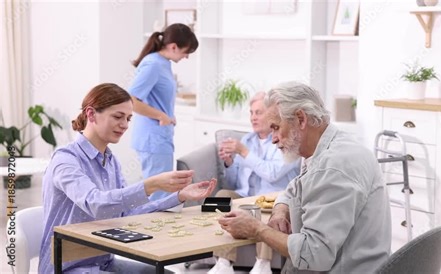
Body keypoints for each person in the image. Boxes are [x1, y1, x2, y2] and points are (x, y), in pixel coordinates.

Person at [38, 83, 216, 274]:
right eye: (117, 117)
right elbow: (94, 202)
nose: (124, 125)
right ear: (91, 114)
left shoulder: (111, 161)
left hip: (103, 262)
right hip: (67, 267)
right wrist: (151, 185)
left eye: (128, 119)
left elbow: (128, 213)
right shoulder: (65, 160)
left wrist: (179, 196)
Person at [217, 82, 391, 273]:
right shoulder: (328, 147)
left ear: (300, 119)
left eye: (275, 127)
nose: (273, 138)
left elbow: (313, 255)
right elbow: (294, 187)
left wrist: (258, 229)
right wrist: (280, 210)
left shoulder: (333, 166)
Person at [209, 92, 301, 274]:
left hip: (272, 198)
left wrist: (244, 152)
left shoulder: (284, 139)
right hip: (246, 197)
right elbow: (233, 182)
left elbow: (272, 173)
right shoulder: (247, 140)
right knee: (222, 196)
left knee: (260, 208)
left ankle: (263, 264)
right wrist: (229, 163)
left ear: (272, 114)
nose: (253, 118)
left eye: (258, 112)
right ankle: (224, 262)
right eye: (251, 113)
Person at [128, 23, 198, 201]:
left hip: (160, 137)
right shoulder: (153, 64)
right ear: (173, 46)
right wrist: (161, 116)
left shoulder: (163, 63)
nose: (187, 57)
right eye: (186, 51)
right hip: (153, 139)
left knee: (164, 191)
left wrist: (167, 115)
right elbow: (131, 101)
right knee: (160, 194)